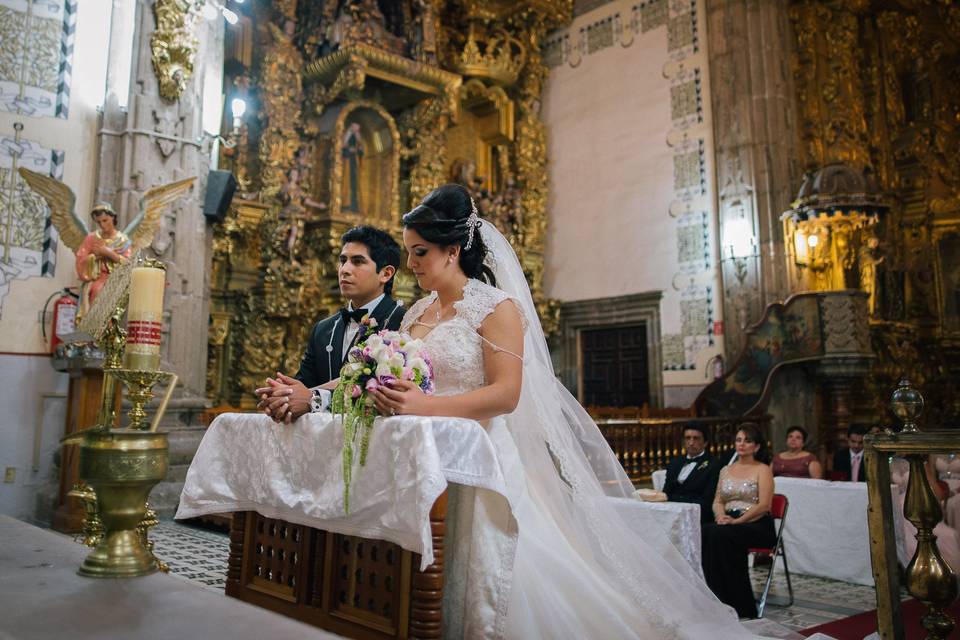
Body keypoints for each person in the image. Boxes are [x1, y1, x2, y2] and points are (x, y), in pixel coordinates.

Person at [367, 184, 758, 638]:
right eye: (410, 253)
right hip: (426, 456)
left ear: (452, 250)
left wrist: (426, 406)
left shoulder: (496, 308)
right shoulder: (418, 311)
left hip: (482, 457)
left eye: (420, 253)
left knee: (493, 572)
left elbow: (505, 394)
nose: (410, 264)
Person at [256, 225, 403, 423]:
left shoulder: (402, 322)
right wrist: (283, 396)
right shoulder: (323, 329)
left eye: (357, 261)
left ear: (386, 274)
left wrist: (313, 399)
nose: (345, 270)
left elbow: (383, 392)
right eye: (343, 260)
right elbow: (304, 385)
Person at [701, 423, 776, 619]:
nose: (742, 444)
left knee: (720, 534)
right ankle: (716, 599)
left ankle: (740, 604)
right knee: (706, 531)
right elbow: (718, 500)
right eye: (739, 440)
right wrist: (720, 516)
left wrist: (737, 521)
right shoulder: (726, 469)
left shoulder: (763, 469)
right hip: (729, 522)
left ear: (757, 447)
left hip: (756, 523)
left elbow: (765, 506)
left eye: (748, 441)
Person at [75, 202, 132, 316]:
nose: (102, 225)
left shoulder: (123, 240)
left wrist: (108, 253)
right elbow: (80, 259)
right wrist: (94, 257)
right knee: (97, 291)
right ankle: (94, 330)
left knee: (108, 295)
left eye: (105, 220)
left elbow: (128, 264)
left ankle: (105, 330)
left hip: (115, 279)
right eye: (98, 222)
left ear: (113, 218)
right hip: (96, 278)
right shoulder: (92, 238)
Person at [663, 426, 722, 524]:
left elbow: (707, 499)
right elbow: (666, 491)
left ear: (705, 442)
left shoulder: (714, 464)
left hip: (698, 516)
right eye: (688, 438)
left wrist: (677, 502)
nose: (691, 443)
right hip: (672, 513)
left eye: (696, 438)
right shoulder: (675, 462)